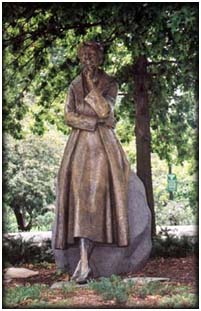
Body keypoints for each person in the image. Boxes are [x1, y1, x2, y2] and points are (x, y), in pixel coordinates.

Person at [53, 41, 131, 284]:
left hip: (102, 146)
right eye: (84, 56)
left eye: (91, 55)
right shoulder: (73, 85)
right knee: (78, 197)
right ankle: (83, 260)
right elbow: (68, 116)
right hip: (79, 145)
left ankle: (87, 260)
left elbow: (106, 111)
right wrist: (90, 122)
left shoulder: (110, 83)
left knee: (98, 197)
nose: (87, 59)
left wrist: (93, 98)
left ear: (100, 58)